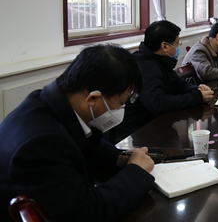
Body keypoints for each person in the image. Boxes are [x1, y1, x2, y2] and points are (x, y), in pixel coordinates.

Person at [0, 45, 155, 222]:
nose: (122, 108)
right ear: (93, 99)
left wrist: (117, 158)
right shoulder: (41, 144)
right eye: (121, 102)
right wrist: (136, 172)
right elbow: (88, 213)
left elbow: (84, 141)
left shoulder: (50, 101)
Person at [114, 20, 214, 142]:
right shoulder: (146, 67)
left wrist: (198, 89)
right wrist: (196, 97)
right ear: (165, 46)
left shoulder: (161, 61)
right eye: (177, 43)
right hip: (140, 131)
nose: (178, 47)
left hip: (157, 124)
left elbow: (179, 84)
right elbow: (158, 102)